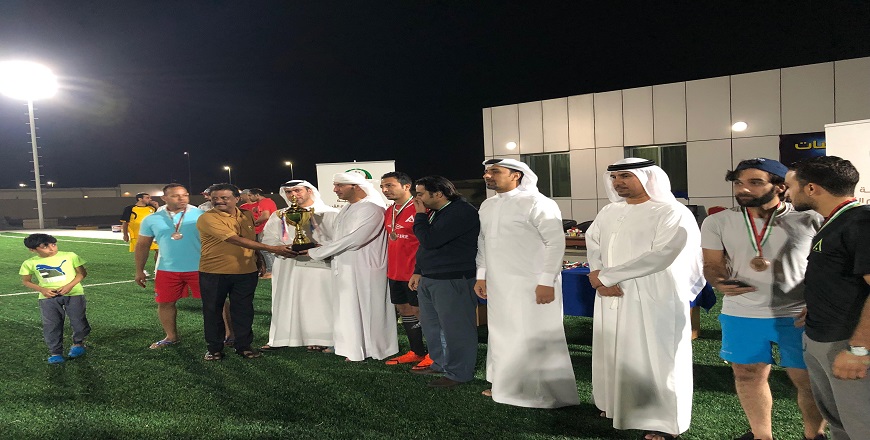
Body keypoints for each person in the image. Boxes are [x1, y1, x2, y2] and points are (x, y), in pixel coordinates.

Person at [701, 158, 825, 440]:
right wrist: (718, 280)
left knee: (806, 380)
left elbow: (828, 268)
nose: (743, 189)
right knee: (747, 375)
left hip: (797, 313)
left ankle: (813, 435)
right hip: (741, 312)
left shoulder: (810, 219)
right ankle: (761, 436)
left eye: (755, 182)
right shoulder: (718, 221)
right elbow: (711, 263)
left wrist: (817, 302)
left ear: (781, 187)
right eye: (739, 183)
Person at [586, 158, 705, 440]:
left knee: (658, 356)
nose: (618, 183)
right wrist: (597, 273)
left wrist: (608, 276)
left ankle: (664, 423)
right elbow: (594, 242)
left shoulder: (671, 211)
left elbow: (663, 254)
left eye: (625, 176)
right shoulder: (609, 211)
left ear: (648, 176)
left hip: (654, 293)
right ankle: (615, 404)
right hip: (611, 292)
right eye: (614, 178)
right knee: (615, 349)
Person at [474, 158, 579, 408]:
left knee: (534, 334)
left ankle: (544, 392)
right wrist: (481, 275)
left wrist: (546, 281)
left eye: (495, 171)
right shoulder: (487, 205)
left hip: (533, 282)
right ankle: (505, 385)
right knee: (502, 334)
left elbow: (555, 243)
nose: (488, 176)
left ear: (516, 176)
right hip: (499, 283)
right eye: (487, 172)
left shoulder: (538, 203)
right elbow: (483, 242)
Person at [785, 156, 870, 439]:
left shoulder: (861, 222)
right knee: (840, 423)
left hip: (847, 344)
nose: (787, 193)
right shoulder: (835, 221)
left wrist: (859, 349)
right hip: (824, 338)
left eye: (790, 186)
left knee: (861, 426)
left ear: (811, 188)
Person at [304, 172, 398, 362]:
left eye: (339, 186)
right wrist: (319, 246)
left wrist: (318, 253)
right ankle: (350, 346)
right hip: (346, 265)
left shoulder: (372, 208)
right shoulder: (348, 208)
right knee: (348, 308)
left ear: (354, 186)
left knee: (368, 308)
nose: (334, 190)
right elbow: (340, 238)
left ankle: (372, 349)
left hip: (366, 267)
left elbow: (356, 239)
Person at [196, 183, 295, 360]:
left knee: (244, 309)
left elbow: (250, 239)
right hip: (214, 271)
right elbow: (235, 240)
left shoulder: (247, 215)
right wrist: (272, 249)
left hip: (246, 271)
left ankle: (244, 345)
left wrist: (259, 258)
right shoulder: (207, 218)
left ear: (237, 198)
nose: (219, 201)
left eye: (224, 198)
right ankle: (214, 348)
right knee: (212, 310)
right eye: (215, 198)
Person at [410, 175, 480, 388]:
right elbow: (427, 246)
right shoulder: (439, 212)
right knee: (433, 326)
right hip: (431, 277)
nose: (417, 198)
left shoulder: (461, 212)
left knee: (456, 328)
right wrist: (418, 270)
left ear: (438, 193)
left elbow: (430, 240)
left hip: (452, 279)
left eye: (420, 193)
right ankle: (440, 362)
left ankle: (459, 372)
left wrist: (420, 216)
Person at [260, 179, 339, 351]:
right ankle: (282, 338)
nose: (293, 195)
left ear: (309, 191)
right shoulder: (279, 214)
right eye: (289, 192)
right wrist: (281, 249)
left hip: (319, 264)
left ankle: (320, 338)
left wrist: (320, 249)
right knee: (285, 300)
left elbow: (339, 240)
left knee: (318, 301)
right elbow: (268, 238)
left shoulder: (330, 213)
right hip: (287, 264)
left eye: (297, 190)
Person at [135, 183, 214, 350]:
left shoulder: (201, 215)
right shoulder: (152, 219)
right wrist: (139, 270)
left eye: (184, 195)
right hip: (167, 269)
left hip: (200, 267)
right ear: (164, 198)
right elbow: (142, 245)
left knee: (216, 302)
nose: (182, 198)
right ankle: (171, 336)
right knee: (165, 303)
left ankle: (228, 334)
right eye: (175, 196)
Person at [380, 171, 432, 370]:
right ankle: (416, 351)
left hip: (415, 272)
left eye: (390, 185)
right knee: (404, 310)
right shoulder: (389, 210)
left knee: (422, 312)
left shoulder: (421, 208)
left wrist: (420, 269)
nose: (385, 190)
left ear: (406, 186)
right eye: (383, 187)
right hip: (394, 271)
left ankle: (434, 354)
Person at [19, 234, 89, 364]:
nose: (51, 248)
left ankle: (78, 344)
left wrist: (69, 286)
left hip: (74, 293)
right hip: (48, 298)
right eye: (45, 246)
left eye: (53, 244)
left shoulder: (70, 256)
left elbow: (82, 273)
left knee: (79, 321)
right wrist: (42, 290)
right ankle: (55, 353)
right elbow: (26, 281)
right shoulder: (30, 263)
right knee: (52, 325)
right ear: (33, 250)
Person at [248, 188, 278, 279]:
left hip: (268, 229)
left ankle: (271, 272)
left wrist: (255, 223)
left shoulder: (264, 202)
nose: (249, 197)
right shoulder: (265, 202)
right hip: (268, 229)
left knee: (266, 250)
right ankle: (271, 271)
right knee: (265, 250)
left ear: (257, 195)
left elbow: (266, 216)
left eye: (250, 195)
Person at [120, 192, 159, 262]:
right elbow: (125, 222)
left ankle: (157, 269)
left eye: (150, 198)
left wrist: (157, 207)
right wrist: (125, 234)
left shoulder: (152, 208)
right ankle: (140, 270)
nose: (150, 199)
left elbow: (160, 218)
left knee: (159, 251)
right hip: (137, 235)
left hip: (152, 235)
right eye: (147, 198)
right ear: (140, 199)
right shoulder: (130, 208)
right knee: (141, 254)